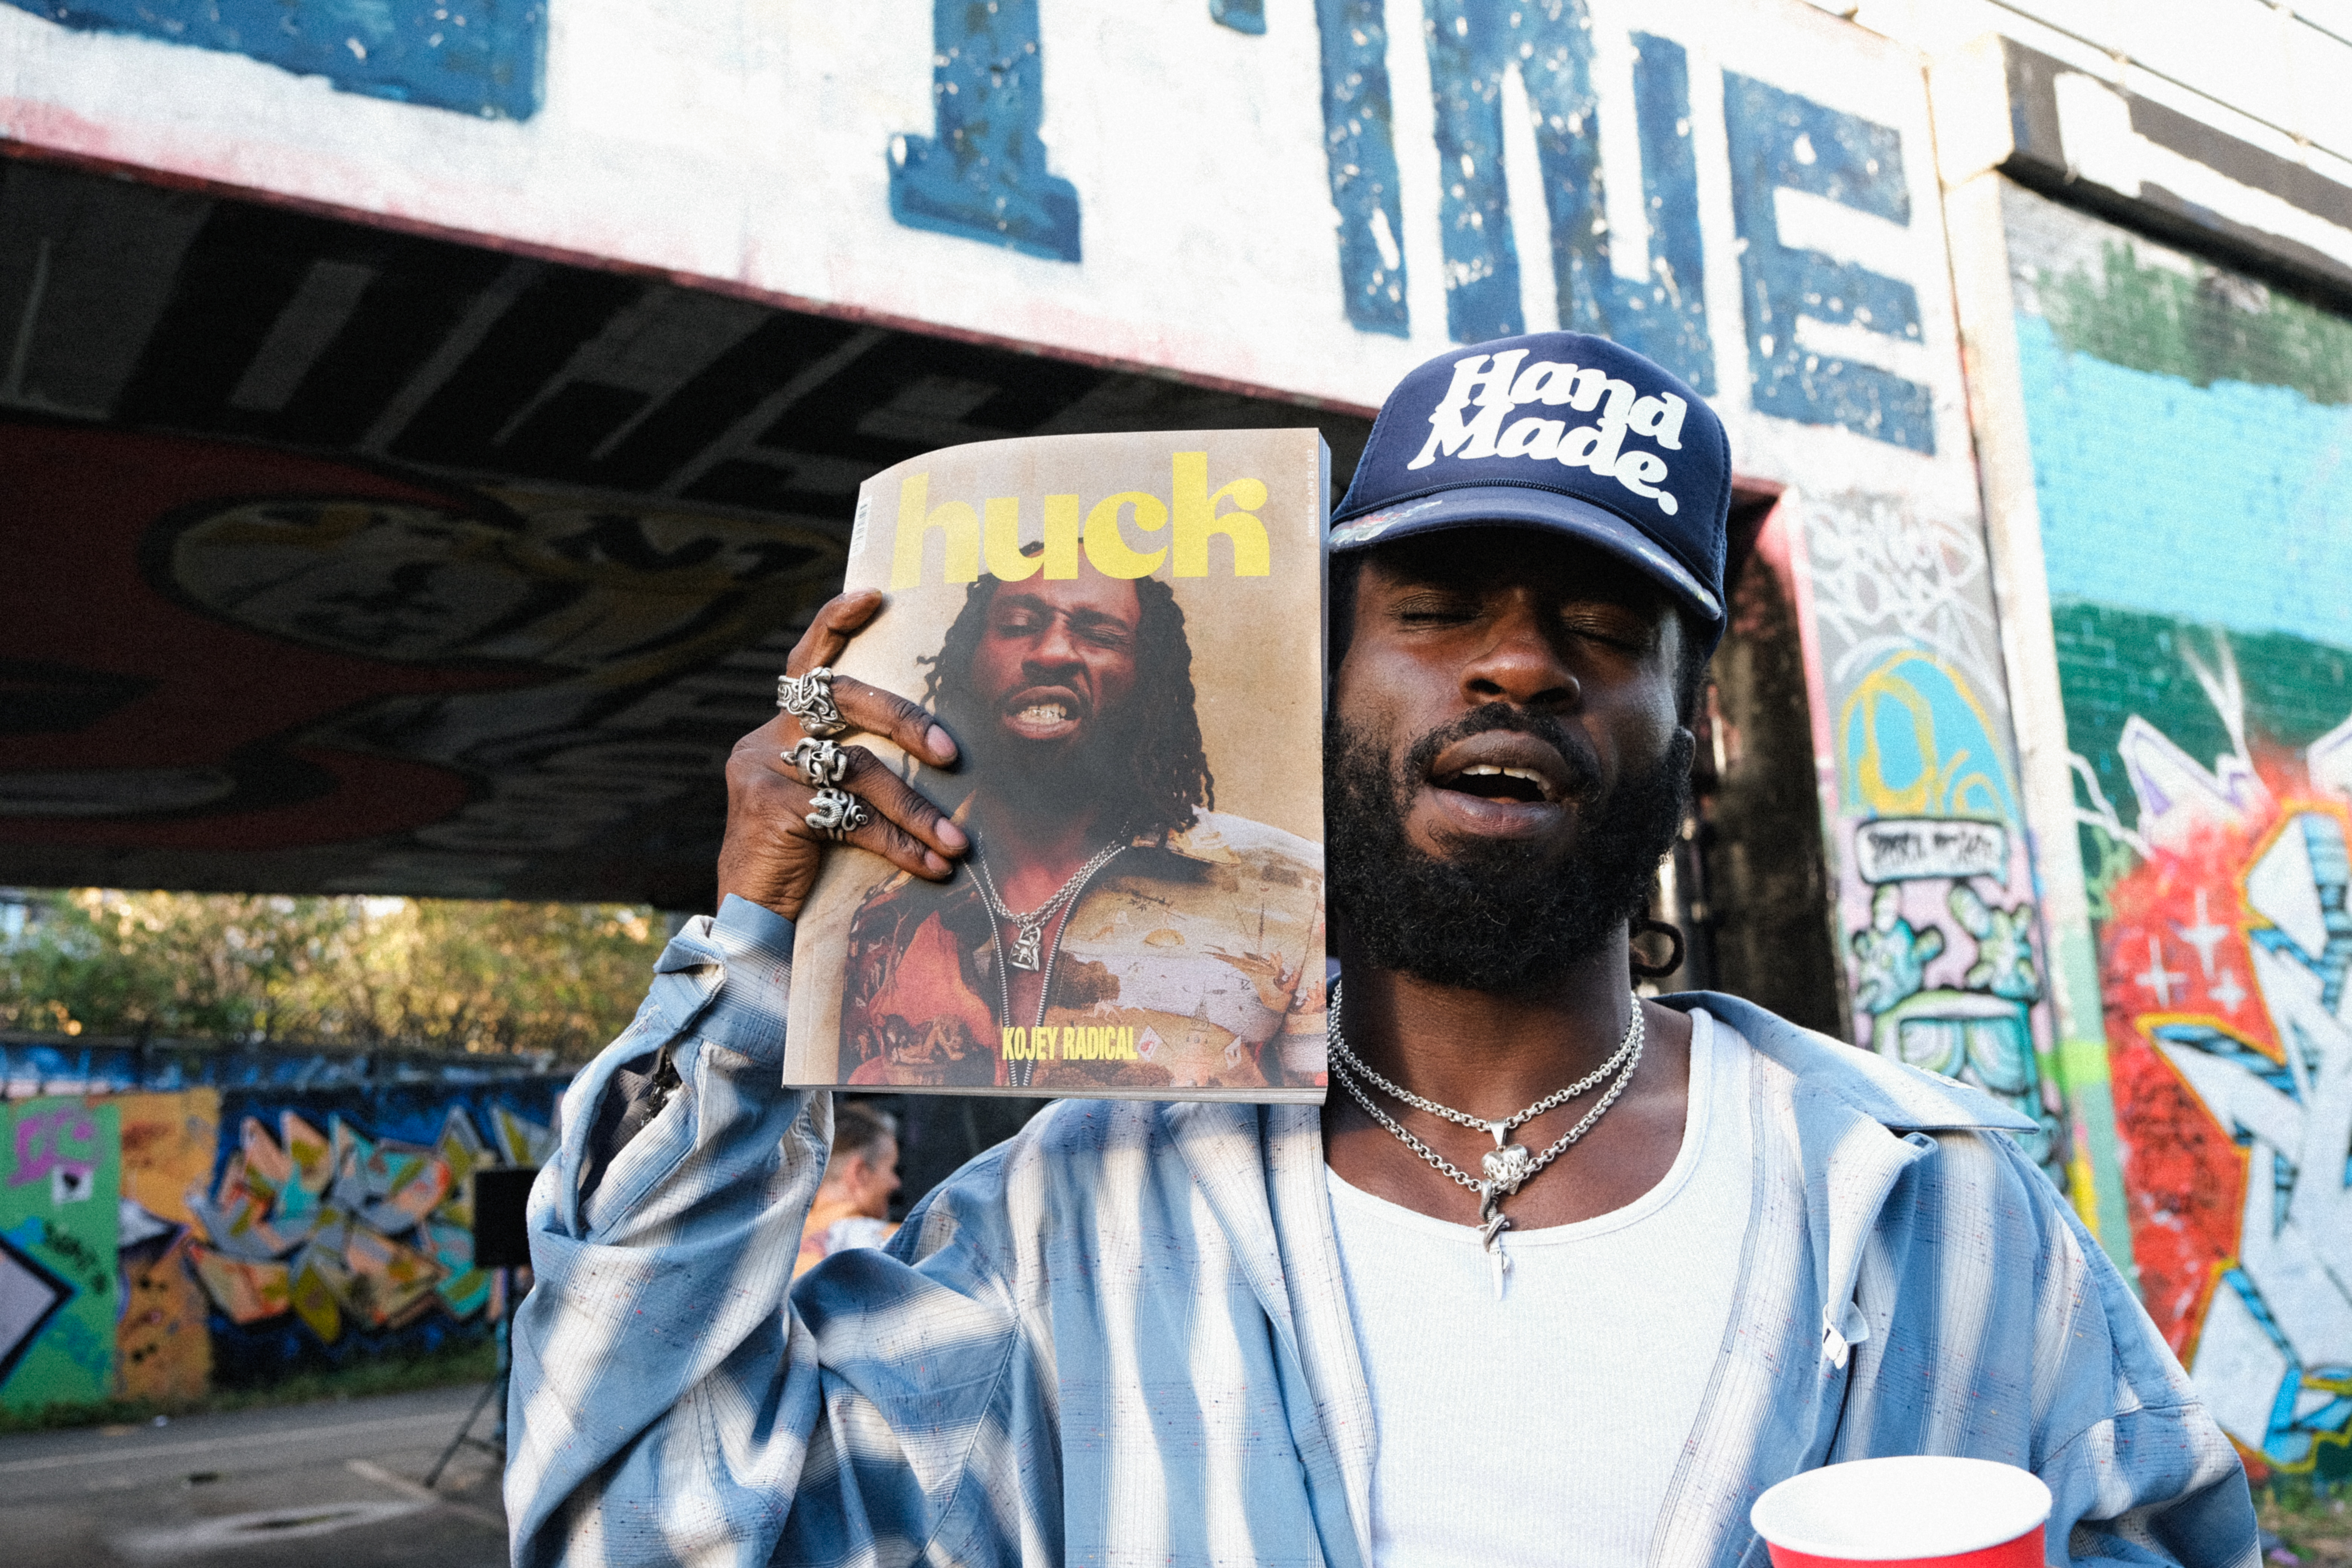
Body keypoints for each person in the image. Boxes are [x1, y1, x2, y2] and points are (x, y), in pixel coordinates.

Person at [509, 331, 2256, 1568]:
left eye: (1597, 624)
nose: (1515, 667)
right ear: (1321, 682)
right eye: (1432, 612)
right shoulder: (1067, 1223)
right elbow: (645, 1529)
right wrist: (750, 958)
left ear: (1687, 722)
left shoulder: (1933, 1205)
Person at [834, 547, 1325, 1093]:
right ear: (968, 663)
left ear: (1149, 681)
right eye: (1019, 625)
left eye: (1101, 635)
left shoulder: (1287, 891)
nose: (1052, 653)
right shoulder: (882, 904)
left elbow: (1326, 1130)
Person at [791, 1099, 902, 1278]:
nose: (896, 1183)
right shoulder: (898, 1244)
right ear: (860, 1173)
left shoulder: (773, 1242)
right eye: (892, 1169)